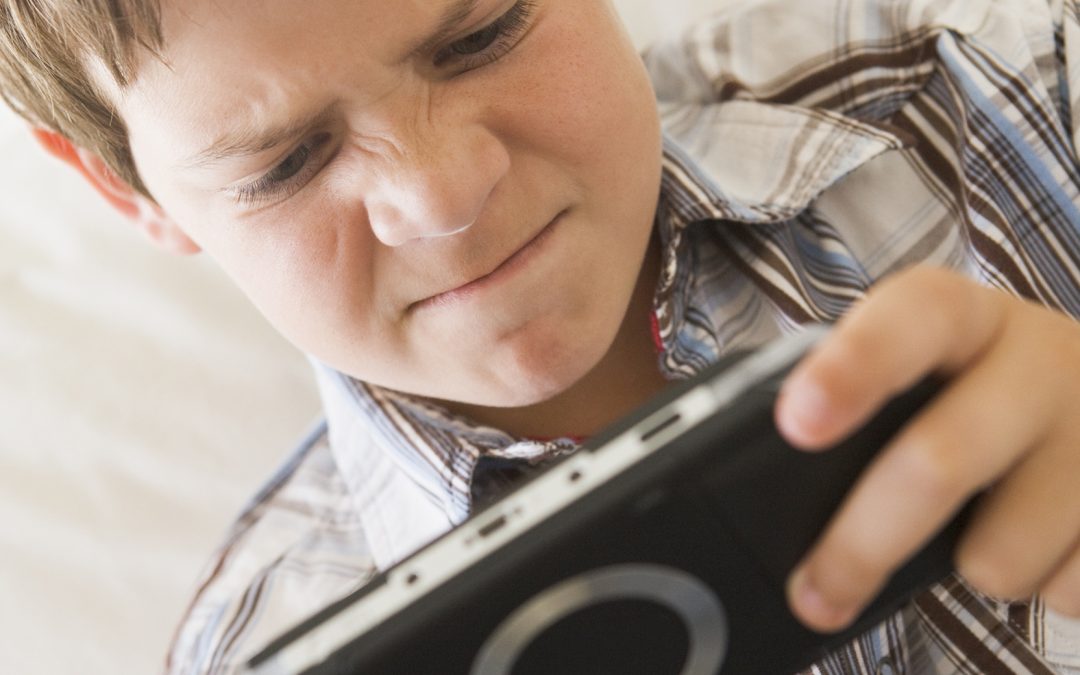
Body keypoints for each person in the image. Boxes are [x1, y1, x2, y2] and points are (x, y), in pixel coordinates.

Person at [2, 0, 1079, 672]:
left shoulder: (1007, 91)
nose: (444, 193)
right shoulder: (266, 645)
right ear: (125, 187)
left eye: (482, 36)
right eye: (284, 163)